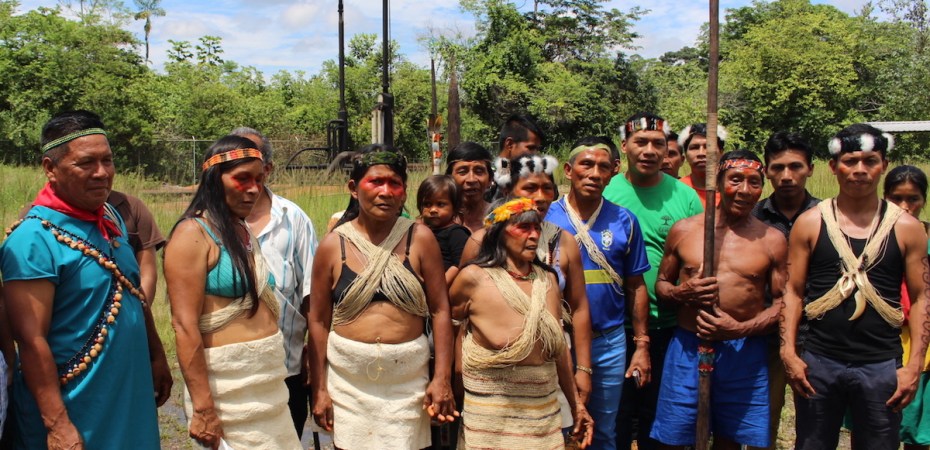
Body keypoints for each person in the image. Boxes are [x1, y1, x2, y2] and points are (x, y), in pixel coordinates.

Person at [0, 110, 169, 449]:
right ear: (50, 168)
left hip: (127, 396)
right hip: (74, 408)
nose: (102, 173)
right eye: (86, 163)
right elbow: (31, 342)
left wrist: (156, 354)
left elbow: (131, 290)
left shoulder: (110, 219)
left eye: (107, 160)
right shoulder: (33, 239)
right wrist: (58, 425)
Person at [780, 124, 930, 450]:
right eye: (850, 161)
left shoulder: (907, 228)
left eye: (870, 160)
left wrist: (914, 365)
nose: (859, 170)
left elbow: (920, 298)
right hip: (820, 360)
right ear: (833, 166)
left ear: (883, 165)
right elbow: (792, 291)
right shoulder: (811, 222)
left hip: (881, 364)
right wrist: (789, 351)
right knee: (812, 444)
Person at [307, 145, 457, 449]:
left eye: (395, 183)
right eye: (375, 182)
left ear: (404, 192)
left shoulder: (420, 238)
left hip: (407, 384)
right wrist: (320, 389)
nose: (385, 192)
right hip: (348, 385)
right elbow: (319, 321)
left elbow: (441, 310)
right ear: (353, 188)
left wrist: (441, 378)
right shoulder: (333, 245)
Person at [165, 135, 301, 449]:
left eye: (259, 179)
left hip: (268, 389)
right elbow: (184, 326)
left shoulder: (242, 230)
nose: (253, 188)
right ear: (214, 180)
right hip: (228, 394)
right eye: (242, 179)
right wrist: (203, 408)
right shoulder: (192, 234)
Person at [651, 149, 787, 449]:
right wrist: (681, 293)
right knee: (673, 436)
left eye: (754, 182)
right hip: (689, 345)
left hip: (743, 351)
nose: (744, 190)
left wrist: (739, 329)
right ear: (718, 183)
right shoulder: (685, 230)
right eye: (735, 179)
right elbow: (661, 285)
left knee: (731, 438)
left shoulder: (772, 240)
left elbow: (783, 304)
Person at [450, 197, 593, 449]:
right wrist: (453, 377)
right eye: (524, 228)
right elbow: (450, 326)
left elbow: (558, 350)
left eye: (537, 228)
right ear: (499, 233)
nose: (534, 235)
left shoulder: (547, 281)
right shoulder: (473, 278)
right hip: (488, 416)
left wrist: (576, 406)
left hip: (541, 416)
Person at [460, 154, 595, 419]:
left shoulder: (563, 240)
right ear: (509, 192)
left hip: (552, 362)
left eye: (547, 188)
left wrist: (584, 369)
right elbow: (459, 316)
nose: (542, 197)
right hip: (493, 374)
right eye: (531, 188)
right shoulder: (480, 241)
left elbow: (578, 308)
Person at [603, 112, 703, 450]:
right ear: (624, 146)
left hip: (670, 325)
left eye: (657, 144)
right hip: (614, 326)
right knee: (615, 416)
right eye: (640, 142)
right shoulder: (606, 189)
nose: (648, 150)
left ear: (667, 150)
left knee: (659, 416)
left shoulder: (684, 197)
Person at [547, 137, 652, 450]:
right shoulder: (546, 217)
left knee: (604, 429)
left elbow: (636, 285)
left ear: (614, 172)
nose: (594, 173)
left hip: (608, 341)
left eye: (603, 167)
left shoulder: (625, 221)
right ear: (568, 170)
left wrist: (642, 344)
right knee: (557, 425)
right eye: (586, 165)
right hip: (557, 341)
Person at [230, 126, 318, 437]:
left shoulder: (294, 219)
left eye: (253, 165)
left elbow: (312, 297)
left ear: (267, 169)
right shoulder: (206, 225)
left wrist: (315, 357)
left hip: (286, 368)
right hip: (230, 373)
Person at [749, 131, 819, 450]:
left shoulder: (827, 217)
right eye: (777, 168)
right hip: (763, 334)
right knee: (762, 421)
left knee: (816, 424)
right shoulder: (752, 217)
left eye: (796, 166)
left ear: (811, 169)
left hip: (818, 336)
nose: (787, 176)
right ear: (766, 171)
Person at [884, 165, 930, 450]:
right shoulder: (872, 239)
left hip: (920, 342)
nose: (905, 207)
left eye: (912, 199)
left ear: (923, 200)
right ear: (885, 197)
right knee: (876, 425)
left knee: (917, 427)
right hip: (880, 343)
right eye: (897, 198)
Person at [417, 175, 471, 284]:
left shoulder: (456, 233)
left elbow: (459, 265)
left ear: (455, 207)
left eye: (440, 204)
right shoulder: (423, 232)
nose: (433, 210)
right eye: (427, 204)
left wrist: (439, 287)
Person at [446, 142, 493, 234]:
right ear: (449, 178)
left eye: (479, 171)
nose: (471, 179)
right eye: (463, 172)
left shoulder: (501, 218)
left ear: (490, 179)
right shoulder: (437, 219)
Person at [678, 123, 726, 208]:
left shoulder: (732, 190)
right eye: (694, 147)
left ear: (721, 152)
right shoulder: (676, 190)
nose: (701, 153)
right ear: (685, 154)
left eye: (708, 147)